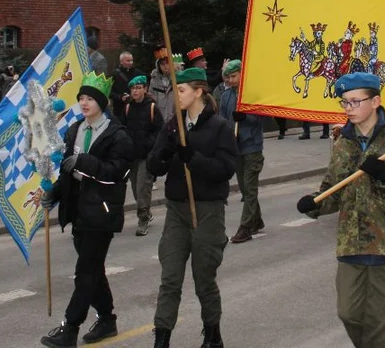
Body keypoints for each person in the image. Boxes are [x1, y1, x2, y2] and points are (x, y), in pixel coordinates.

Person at [296, 72, 385, 348]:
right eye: (344, 103)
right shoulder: (343, 142)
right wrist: (314, 203)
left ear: (376, 101)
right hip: (351, 246)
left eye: (355, 102)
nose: (349, 109)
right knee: (349, 314)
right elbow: (333, 189)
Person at [40, 74, 134, 347]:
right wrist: (54, 194)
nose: (84, 103)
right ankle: (107, 319)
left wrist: (85, 161)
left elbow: (117, 174)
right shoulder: (74, 130)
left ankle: (70, 327)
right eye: (81, 98)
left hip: (101, 212)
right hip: (78, 210)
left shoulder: (117, 135)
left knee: (85, 271)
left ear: (102, 103)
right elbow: (67, 171)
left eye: (90, 98)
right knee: (93, 270)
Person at [146, 67, 237, 348]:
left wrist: (192, 158)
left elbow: (225, 170)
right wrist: (165, 152)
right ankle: (162, 338)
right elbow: (152, 166)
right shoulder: (173, 124)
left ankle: (212, 334)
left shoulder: (219, 127)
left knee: (204, 278)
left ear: (198, 91)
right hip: (176, 210)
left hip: (207, 211)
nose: (176, 96)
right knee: (170, 278)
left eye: (181, 90)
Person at [217, 60, 265, 244]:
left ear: (242, 74)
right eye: (228, 77)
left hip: (252, 146)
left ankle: (245, 227)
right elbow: (222, 119)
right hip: (235, 147)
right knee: (245, 188)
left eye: (234, 76)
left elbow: (262, 117)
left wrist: (247, 116)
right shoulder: (227, 95)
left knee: (249, 188)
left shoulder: (251, 94)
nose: (230, 80)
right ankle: (256, 220)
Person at [118, 75, 162, 236]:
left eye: (138, 88)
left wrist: (148, 143)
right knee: (136, 189)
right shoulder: (128, 107)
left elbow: (159, 130)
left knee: (143, 187)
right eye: (133, 88)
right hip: (131, 156)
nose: (135, 91)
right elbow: (121, 127)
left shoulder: (152, 108)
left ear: (144, 89)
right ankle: (146, 212)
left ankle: (143, 219)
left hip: (146, 156)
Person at [149, 47, 177, 124]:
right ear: (158, 66)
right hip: (159, 119)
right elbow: (151, 99)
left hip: (174, 118)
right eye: (162, 64)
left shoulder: (178, 79)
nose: (165, 66)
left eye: (167, 63)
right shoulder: (154, 81)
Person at [110, 51, 140, 116]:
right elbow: (109, 92)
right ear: (121, 62)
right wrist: (120, 97)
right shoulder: (114, 74)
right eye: (128, 61)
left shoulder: (137, 73)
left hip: (135, 107)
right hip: (120, 109)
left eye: (131, 60)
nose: (130, 63)